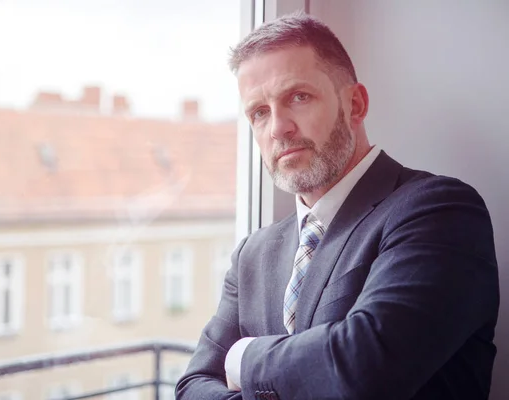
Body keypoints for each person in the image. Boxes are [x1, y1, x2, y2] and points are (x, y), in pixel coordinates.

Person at [175, 12, 499, 400]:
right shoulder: (253, 255)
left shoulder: (439, 211)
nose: (278, 128)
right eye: (259, 113)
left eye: (298, 97)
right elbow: (192, 386)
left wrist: (244, 359)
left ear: (355, 105)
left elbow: (365, 366)